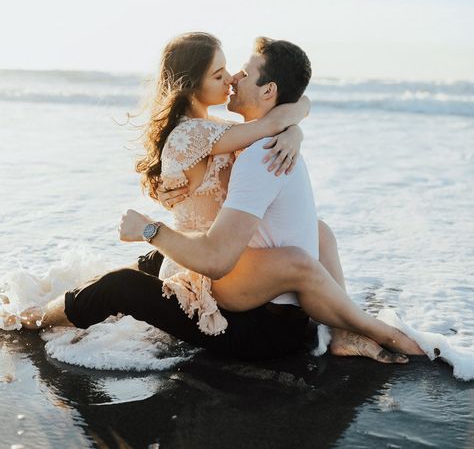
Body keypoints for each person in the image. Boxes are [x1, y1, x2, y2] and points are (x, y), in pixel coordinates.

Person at [13, 32, 422, 362]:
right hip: (207, 262)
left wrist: (293, 127)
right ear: (191, 84)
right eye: (220, 74)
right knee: (121, 284)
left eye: (235, 72)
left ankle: (346, 330)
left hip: (217, 253)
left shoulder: (217, 130)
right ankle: (35, 319)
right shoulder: (197, 134)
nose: (231, 80)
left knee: (317, 231)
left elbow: (279, 115)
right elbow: (272, 120)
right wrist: (290, 122)